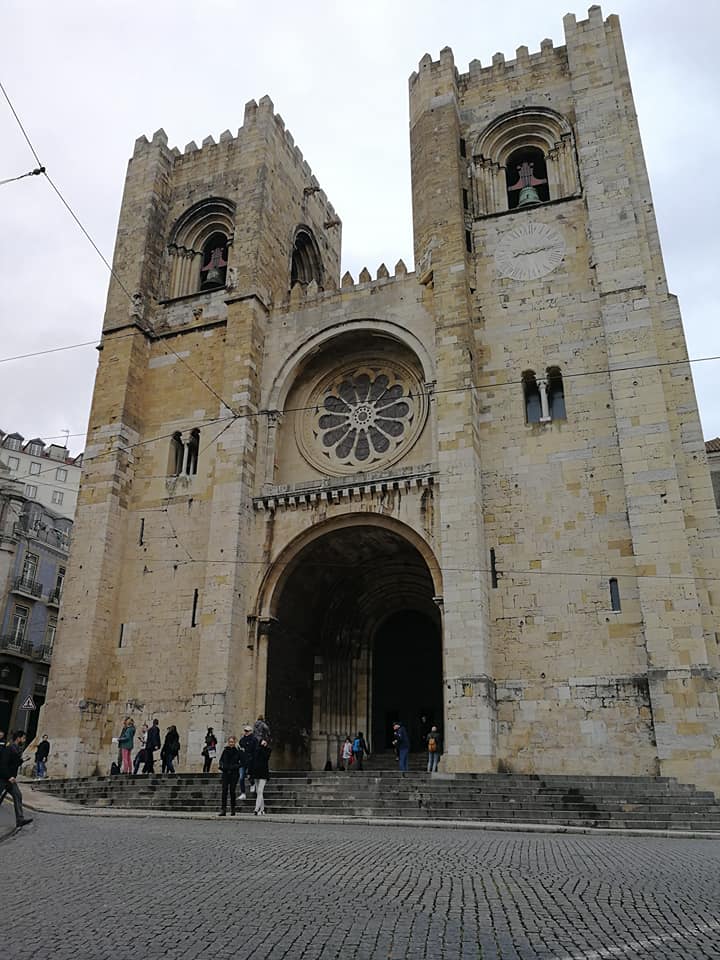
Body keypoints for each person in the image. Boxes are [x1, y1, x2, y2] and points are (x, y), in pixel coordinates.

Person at [0, 730, 33, 828]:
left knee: (18, 795)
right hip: (3, 778)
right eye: (23, 738)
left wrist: (22, 760)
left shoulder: (16, 749)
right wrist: (8, 776)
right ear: (18, 738)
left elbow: (14, 763)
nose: (24, 740)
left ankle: (20, 819)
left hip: (11, 779)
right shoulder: (9, 748)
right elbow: (3, 764)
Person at [218, 736, 242, 816]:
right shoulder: (225, 751)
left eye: (232, 742)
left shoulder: (237, 752)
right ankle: (223, 809)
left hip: (234, 774)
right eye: (230, 742)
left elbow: (241, 762)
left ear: (234, 743)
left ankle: (233, 809)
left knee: (232, 791)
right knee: (224, 791)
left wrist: (234, 767)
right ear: (228, 742)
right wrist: (223, 766)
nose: (231, 743)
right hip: (225, 773)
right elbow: (221, 761)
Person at [252, 738, 271, 815]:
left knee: (260, 791)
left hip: (263, 773)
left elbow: (265, 757)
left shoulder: (268, 750)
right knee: (258, 792)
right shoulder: (257, 750)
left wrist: (263, 747)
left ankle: (256, 809)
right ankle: (262, 809)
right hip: (256, 772)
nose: (263, 744)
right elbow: (255, 759)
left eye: (265, 742)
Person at [238, 725, 257, 800]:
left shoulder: (254, 740)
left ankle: (252, 783)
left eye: (247, 731)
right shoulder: (242, 740)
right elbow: (240, 749)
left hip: (250, 761)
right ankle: (243, 793)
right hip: (242, 761)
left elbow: (255, 751)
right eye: (245, 731)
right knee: (241, 777)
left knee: (249, 776)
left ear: (250, 731)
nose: (245, 732)